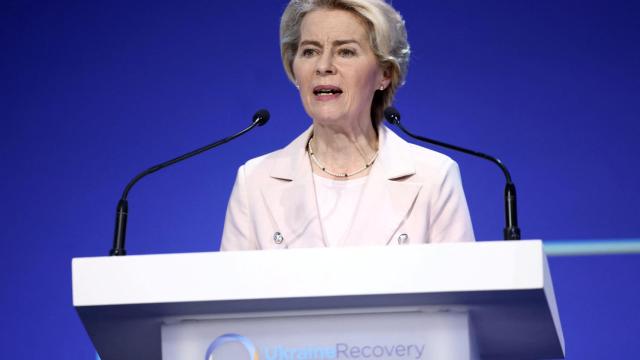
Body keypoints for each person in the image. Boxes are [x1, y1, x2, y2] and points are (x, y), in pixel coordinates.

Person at [220, 0, 474, 250]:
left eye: (346, 51)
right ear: (294, 68)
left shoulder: (434, 178)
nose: (323, 66)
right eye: (310, 51)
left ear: (384, 73)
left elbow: (462, 290)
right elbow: (230, 290)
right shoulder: (254, 181)